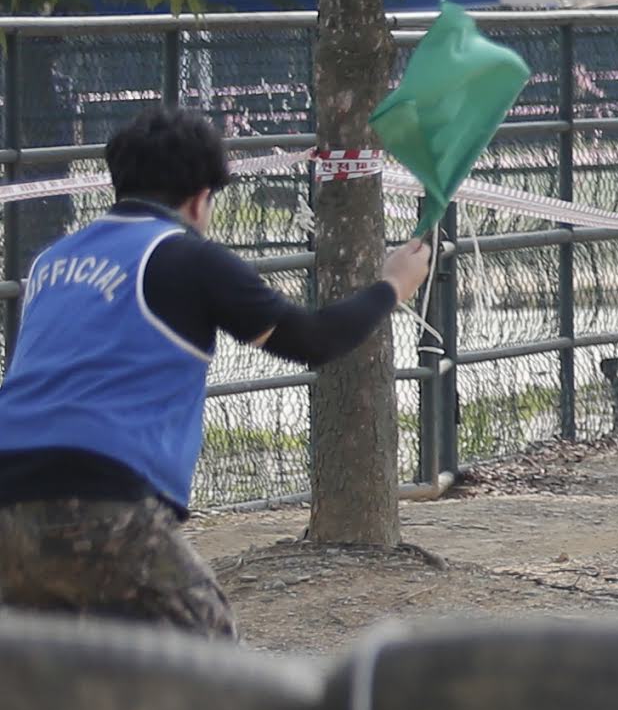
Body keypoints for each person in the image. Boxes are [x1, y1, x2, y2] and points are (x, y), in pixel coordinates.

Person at [0, 111, 428, 633]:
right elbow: (311, 341)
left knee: (49, 669)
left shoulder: (50, 262)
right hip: (100, 495)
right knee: (206, 650)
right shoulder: (184, 257)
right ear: (201, 198)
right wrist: (392, 287)